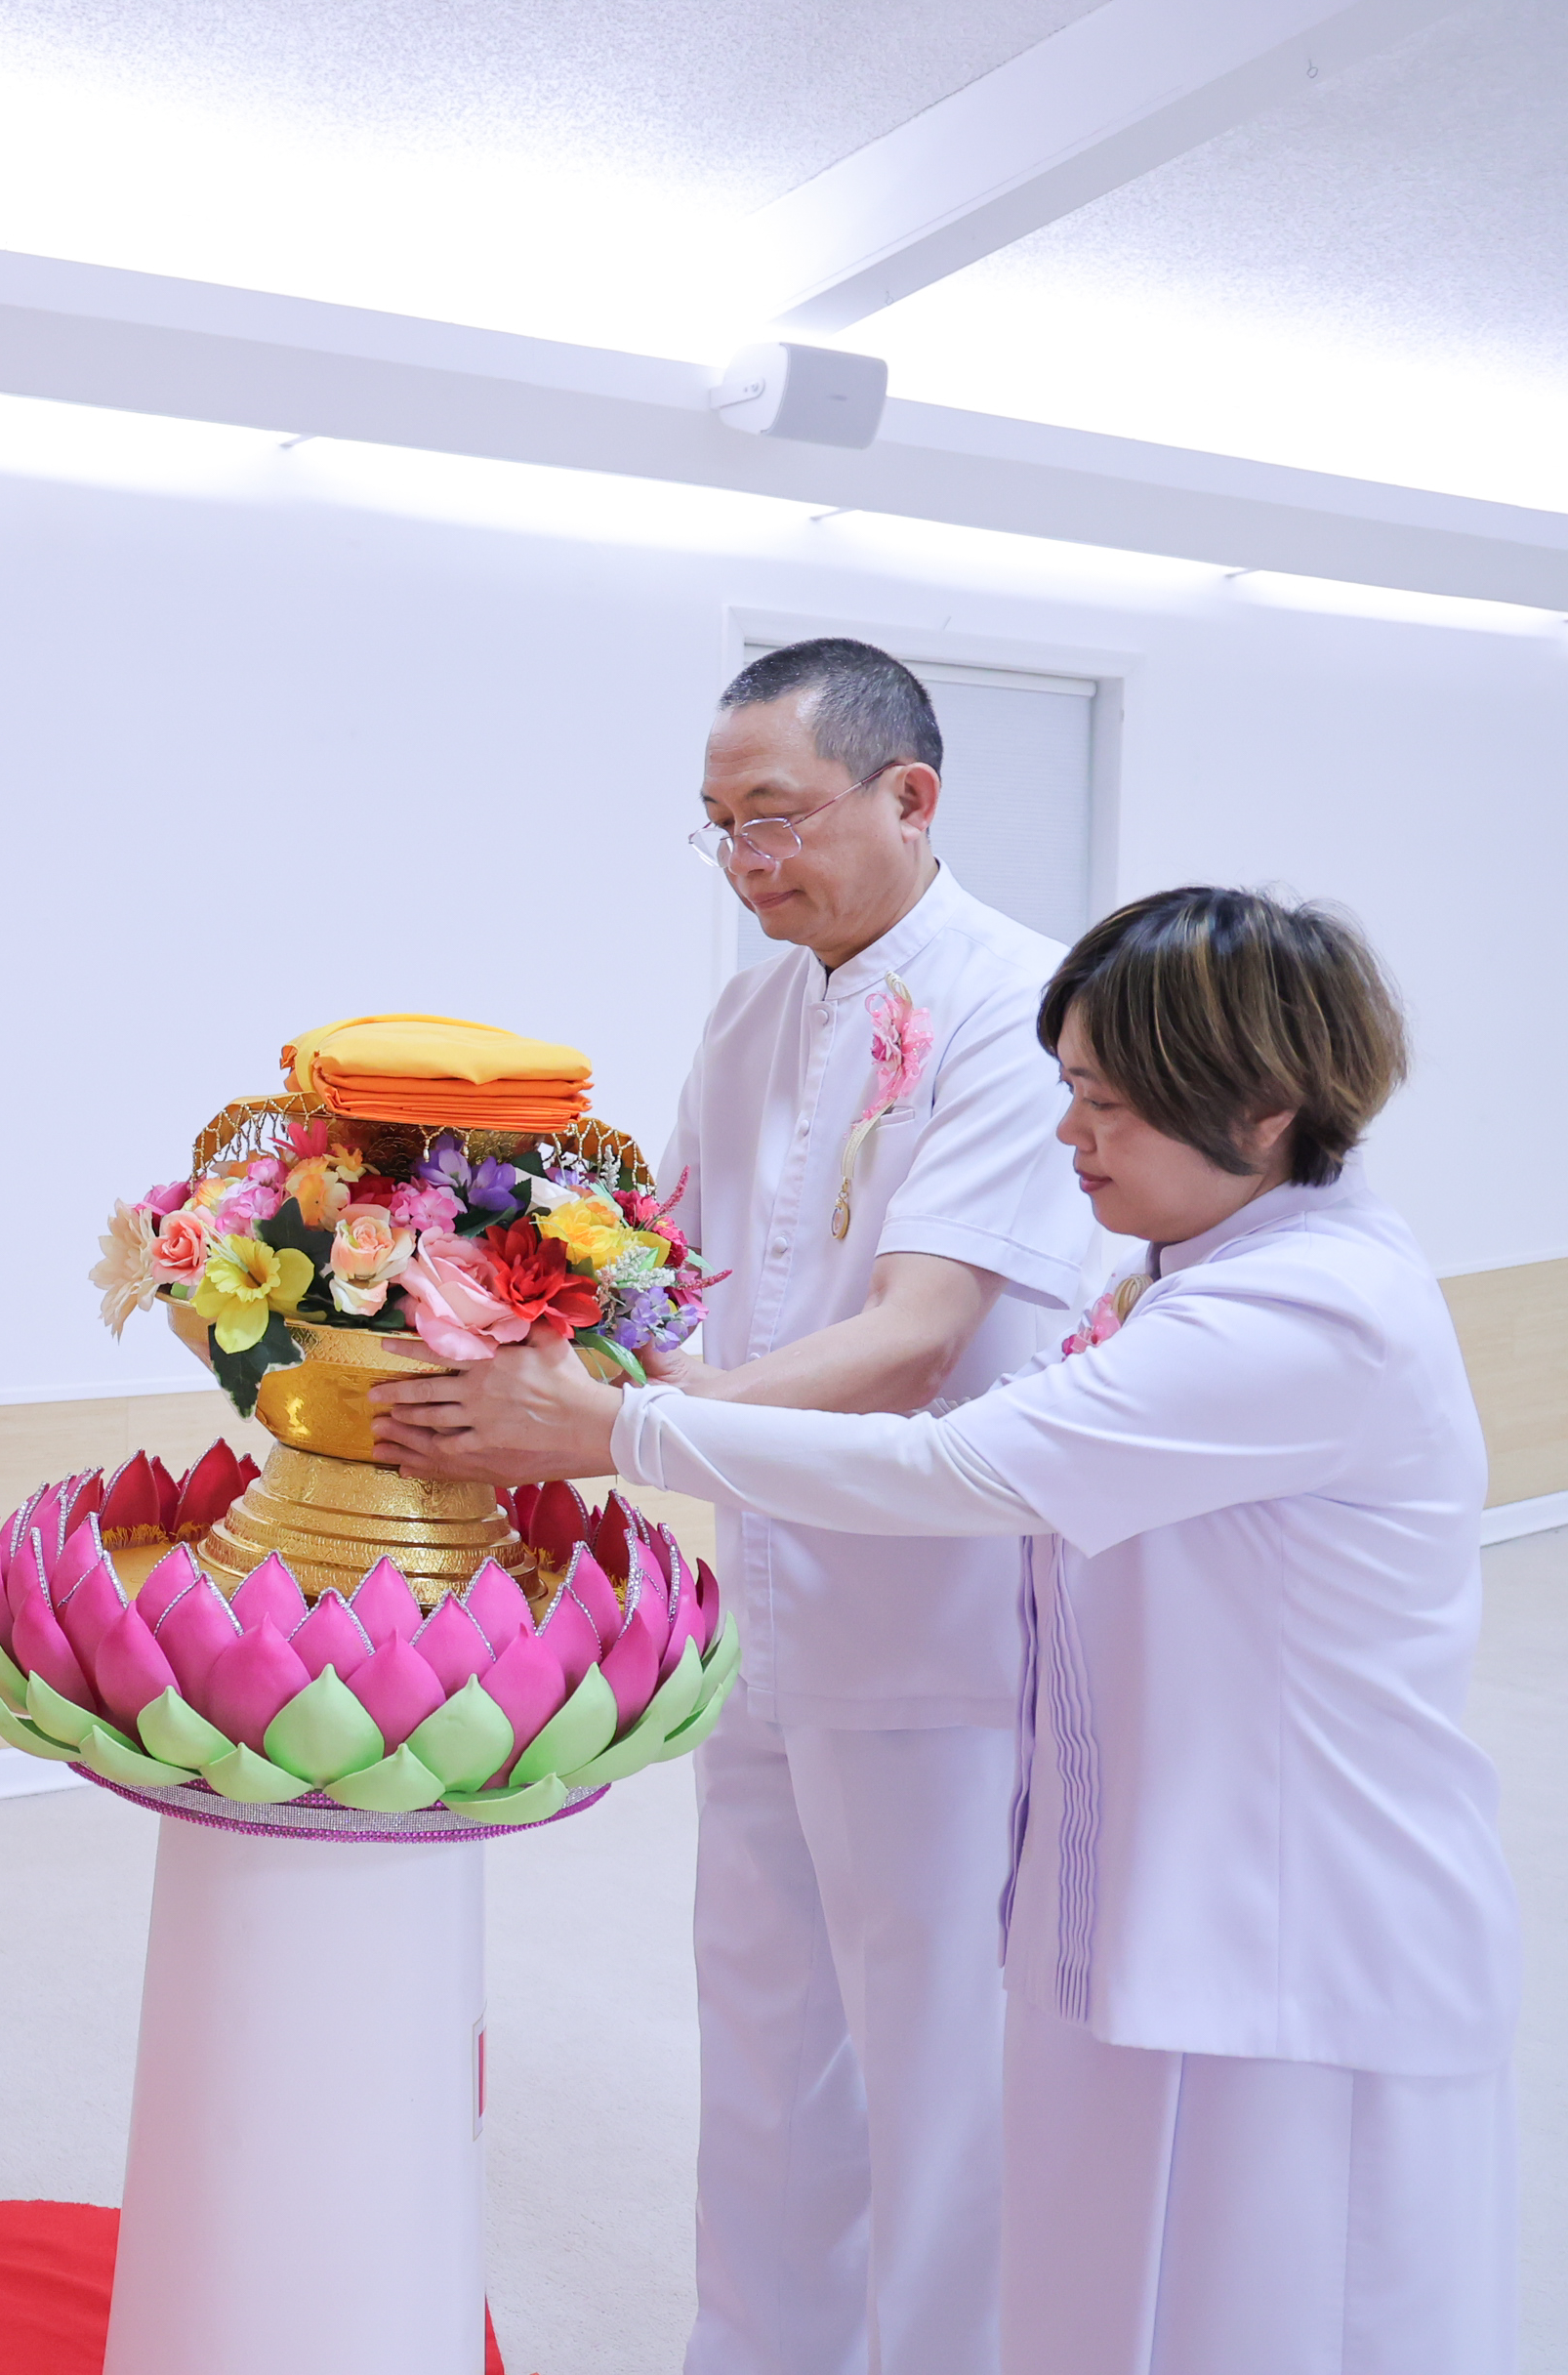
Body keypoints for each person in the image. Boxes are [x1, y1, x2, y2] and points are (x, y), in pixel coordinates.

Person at [380, 887, 1517, 2373]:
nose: (1069, 1136)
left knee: (1287, 2304)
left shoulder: (1310, 1313)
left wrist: (620, 1430)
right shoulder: (1187, 1271)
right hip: (1172, 1871)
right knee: (1115, 2284)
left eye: (1106, 1105)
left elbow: (964, 1465)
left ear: (1262, 1111)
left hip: (1303, 1916)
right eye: (1071, 1090)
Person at [377, 639, 1100, 2375]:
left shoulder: (1019, 1002)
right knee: (766, 2036)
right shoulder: (750, 1010)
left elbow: (918, 1335)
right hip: (757, 1599)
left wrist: (610, 1425)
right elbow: (667, 1276)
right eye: (718, 826)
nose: (745, 861)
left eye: (774, 817)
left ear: (909, 797)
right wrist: (480, 1299)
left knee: (936, 2062)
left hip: (933, 1619)